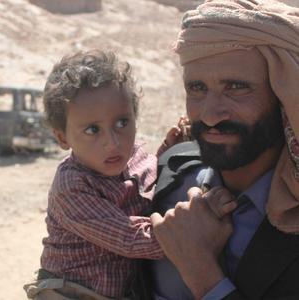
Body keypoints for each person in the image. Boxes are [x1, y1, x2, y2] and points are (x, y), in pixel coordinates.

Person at [23, 50, 234, 300]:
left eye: (122, 123)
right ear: (62, 138)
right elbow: (130, 238)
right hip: (70, 292)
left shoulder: (133, 155)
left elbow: (150, 180)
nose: (112, 143)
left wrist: (170, 152)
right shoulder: (72, 186)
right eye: (93, 130)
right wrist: (198, 222)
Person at [149, 0, 299, 299]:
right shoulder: (168, 174)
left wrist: (201, 271)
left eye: (236, 87)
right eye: (197, 88)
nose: (210, 115)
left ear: (284, 97)